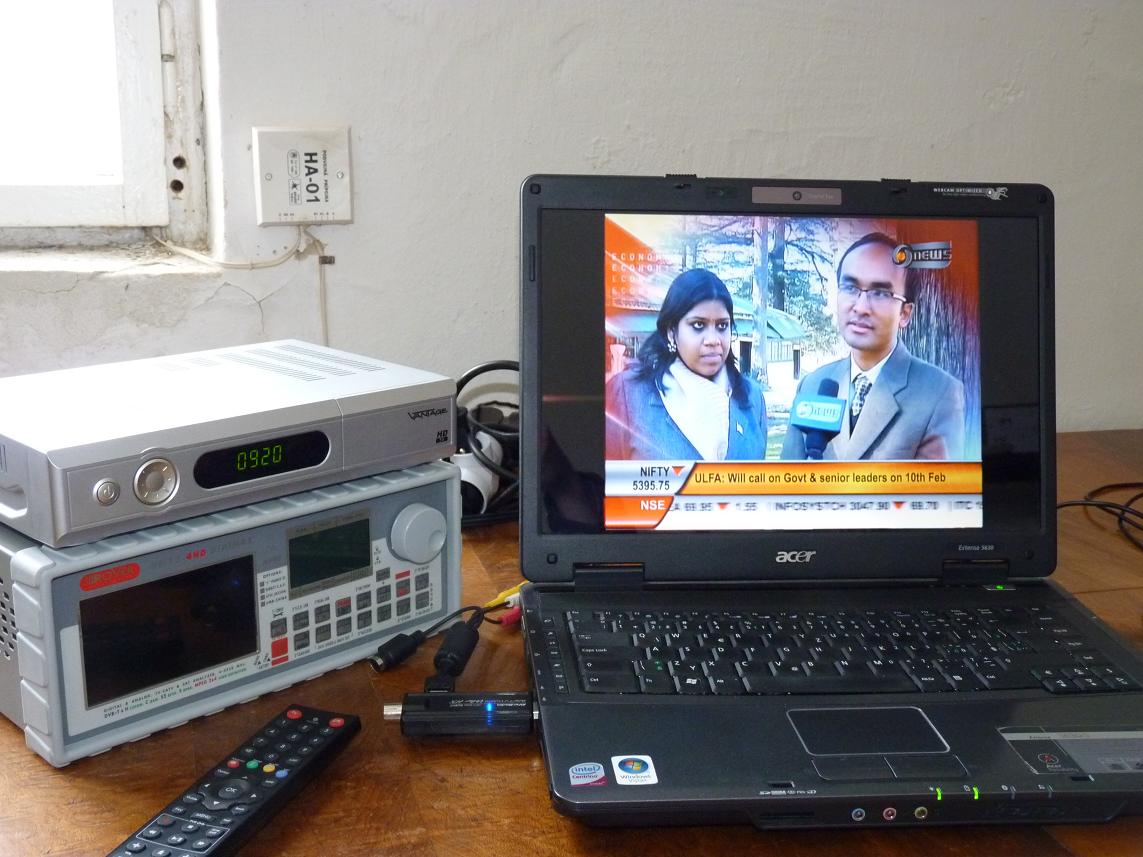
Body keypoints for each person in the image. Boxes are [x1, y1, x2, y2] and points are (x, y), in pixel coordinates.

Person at [781, 232, 965, 461]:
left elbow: (940, 483)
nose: (860, 307)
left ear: (905, 314)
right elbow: (789, 477)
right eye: (850, 288)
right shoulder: (812, 384)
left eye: (880, 293)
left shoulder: (939, 393)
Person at [605, 268, 767, 461]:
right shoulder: (628, 394)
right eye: (698, 325)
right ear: (671, 332)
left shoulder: (751, 398)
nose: (713, 340)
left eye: (722, 325)